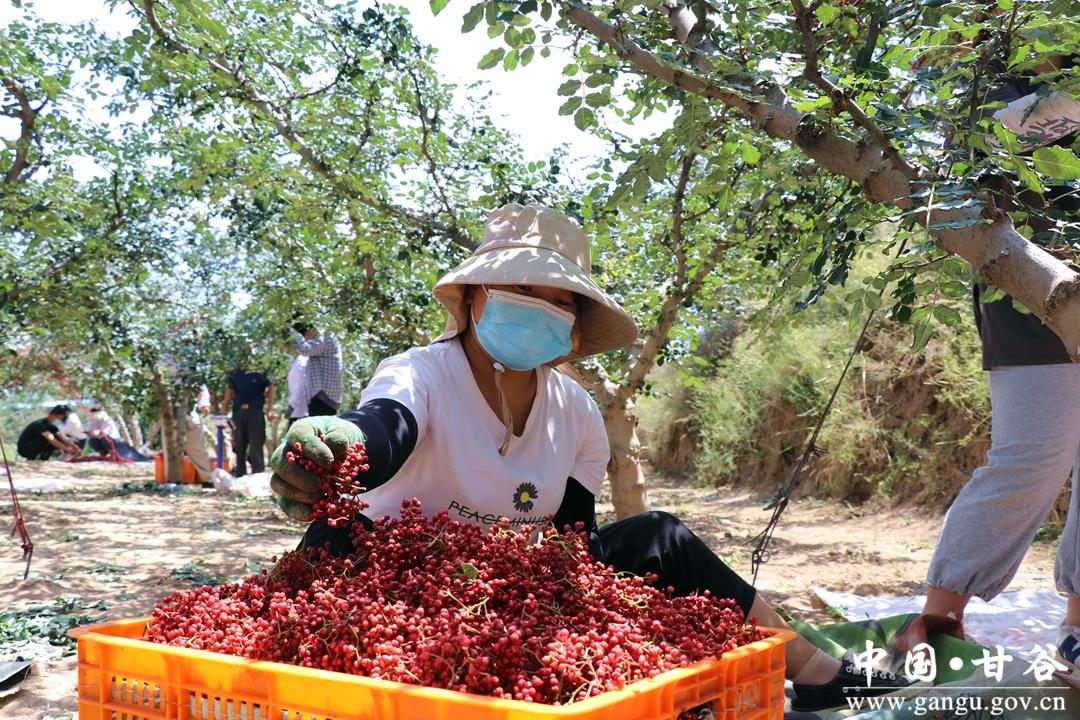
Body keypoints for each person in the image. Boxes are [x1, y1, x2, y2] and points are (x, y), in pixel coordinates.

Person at [269, 203, 910, 711]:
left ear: (574, 325)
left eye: (559, 298)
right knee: (334, 548)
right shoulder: (419, 373)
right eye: (519, 287)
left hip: (506, 588)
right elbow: (387, 428)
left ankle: (819, 672)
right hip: (388, 580)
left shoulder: (577, 413)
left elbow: (573, 545)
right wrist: (341, 444)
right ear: (472, 299)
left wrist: (587, 626)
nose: (541, 306)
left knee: (663, 536)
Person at [897, 48, 1080, 663]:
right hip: (1030, 298)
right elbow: (982, 151)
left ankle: (1078, 627)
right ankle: (941, 615)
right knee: (1031, 459)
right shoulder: (982, 72)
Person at [221, 357, 275, 476]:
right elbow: (231, 389)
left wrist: (270, 409)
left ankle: (258, 479)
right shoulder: (236, 369)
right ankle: (240, 478)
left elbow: (271, 387)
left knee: (256, 446)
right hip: (238, 413)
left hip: (255, 412)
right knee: (239, 447)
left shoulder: (261, 368)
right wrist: (224, 406)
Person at [292, 322, 343, 417]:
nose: (306, 340)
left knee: (320, 429)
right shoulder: (323, 337)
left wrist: (295, 334)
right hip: (323, 397)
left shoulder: (325, 336)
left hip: (325, 397)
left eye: (305, 337)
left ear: (307, 332)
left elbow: (305, 350)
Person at [17, 405, 81, 461]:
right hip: (24, 449)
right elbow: (52, 439)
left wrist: (75, 447)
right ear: (53, 415)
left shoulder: (52, 426)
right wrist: (67, 450)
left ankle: (44, 459)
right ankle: (31, 459)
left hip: (32, 446)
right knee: (45, 439)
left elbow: (63, 438)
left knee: (56, 439)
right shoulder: (40, 424)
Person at [285, 335, 310, 427]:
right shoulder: (296, 360)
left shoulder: (302, 361)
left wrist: (292, 405)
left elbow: (302, 384)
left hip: (302, 412)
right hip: (296, 411)